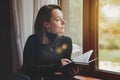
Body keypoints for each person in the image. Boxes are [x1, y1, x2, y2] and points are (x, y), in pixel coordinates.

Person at [20, 4, 81, 80]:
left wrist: (71, 71)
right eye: (58, 20)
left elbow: (64, 70)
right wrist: (56, 66)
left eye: (63, 18)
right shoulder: (32, 41)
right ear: (46, 24)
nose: (64, 22)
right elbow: (28, 69)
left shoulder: (67, 41)